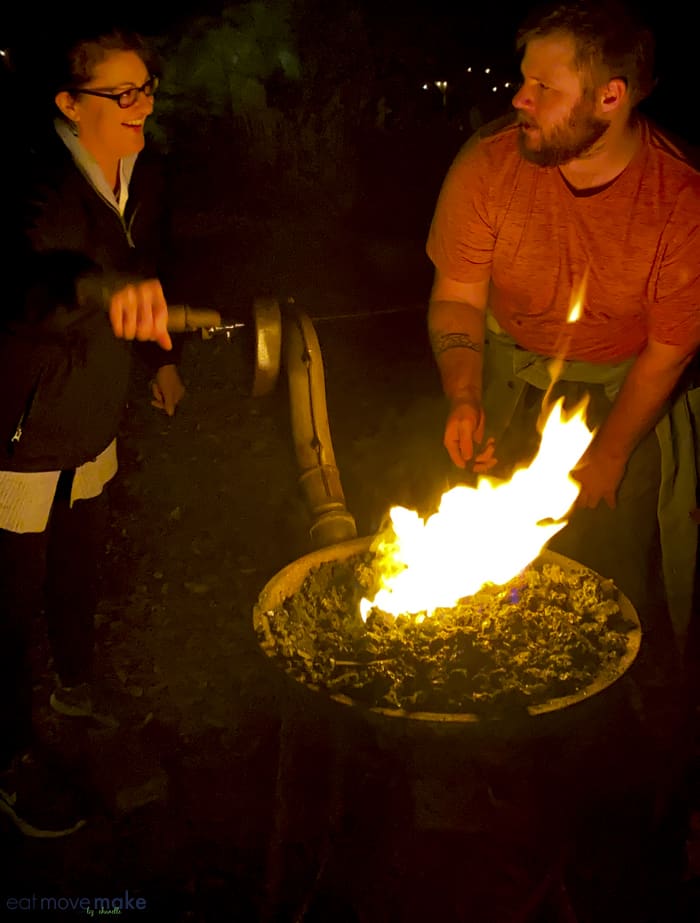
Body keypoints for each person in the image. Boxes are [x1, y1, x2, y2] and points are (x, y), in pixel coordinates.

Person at [426, 0, 699, 910]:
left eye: (545, 86)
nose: (519, 98)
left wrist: (613, 453)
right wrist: (464, 394)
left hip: (624, 393)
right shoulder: (492, 163)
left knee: (610, 600)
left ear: (612, 98)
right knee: (495, 588)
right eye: (522, 78)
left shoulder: (680, 198)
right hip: (508, 378)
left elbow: (667, 350)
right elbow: (458, 297)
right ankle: (498, 761)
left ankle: (605, 787)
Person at [0, 23, 186, 837]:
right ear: (69, 104)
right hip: (25, 433)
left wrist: (159, 360)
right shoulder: (30, 182)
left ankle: (78, 686)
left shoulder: (143, 173)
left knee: (78, 569)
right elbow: (26, 290)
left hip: (93, 418)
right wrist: (97, 286)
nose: (140, 105)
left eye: (146, 87)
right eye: (122, 93)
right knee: (7, 606)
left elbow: (147, 274)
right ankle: (8, 757)